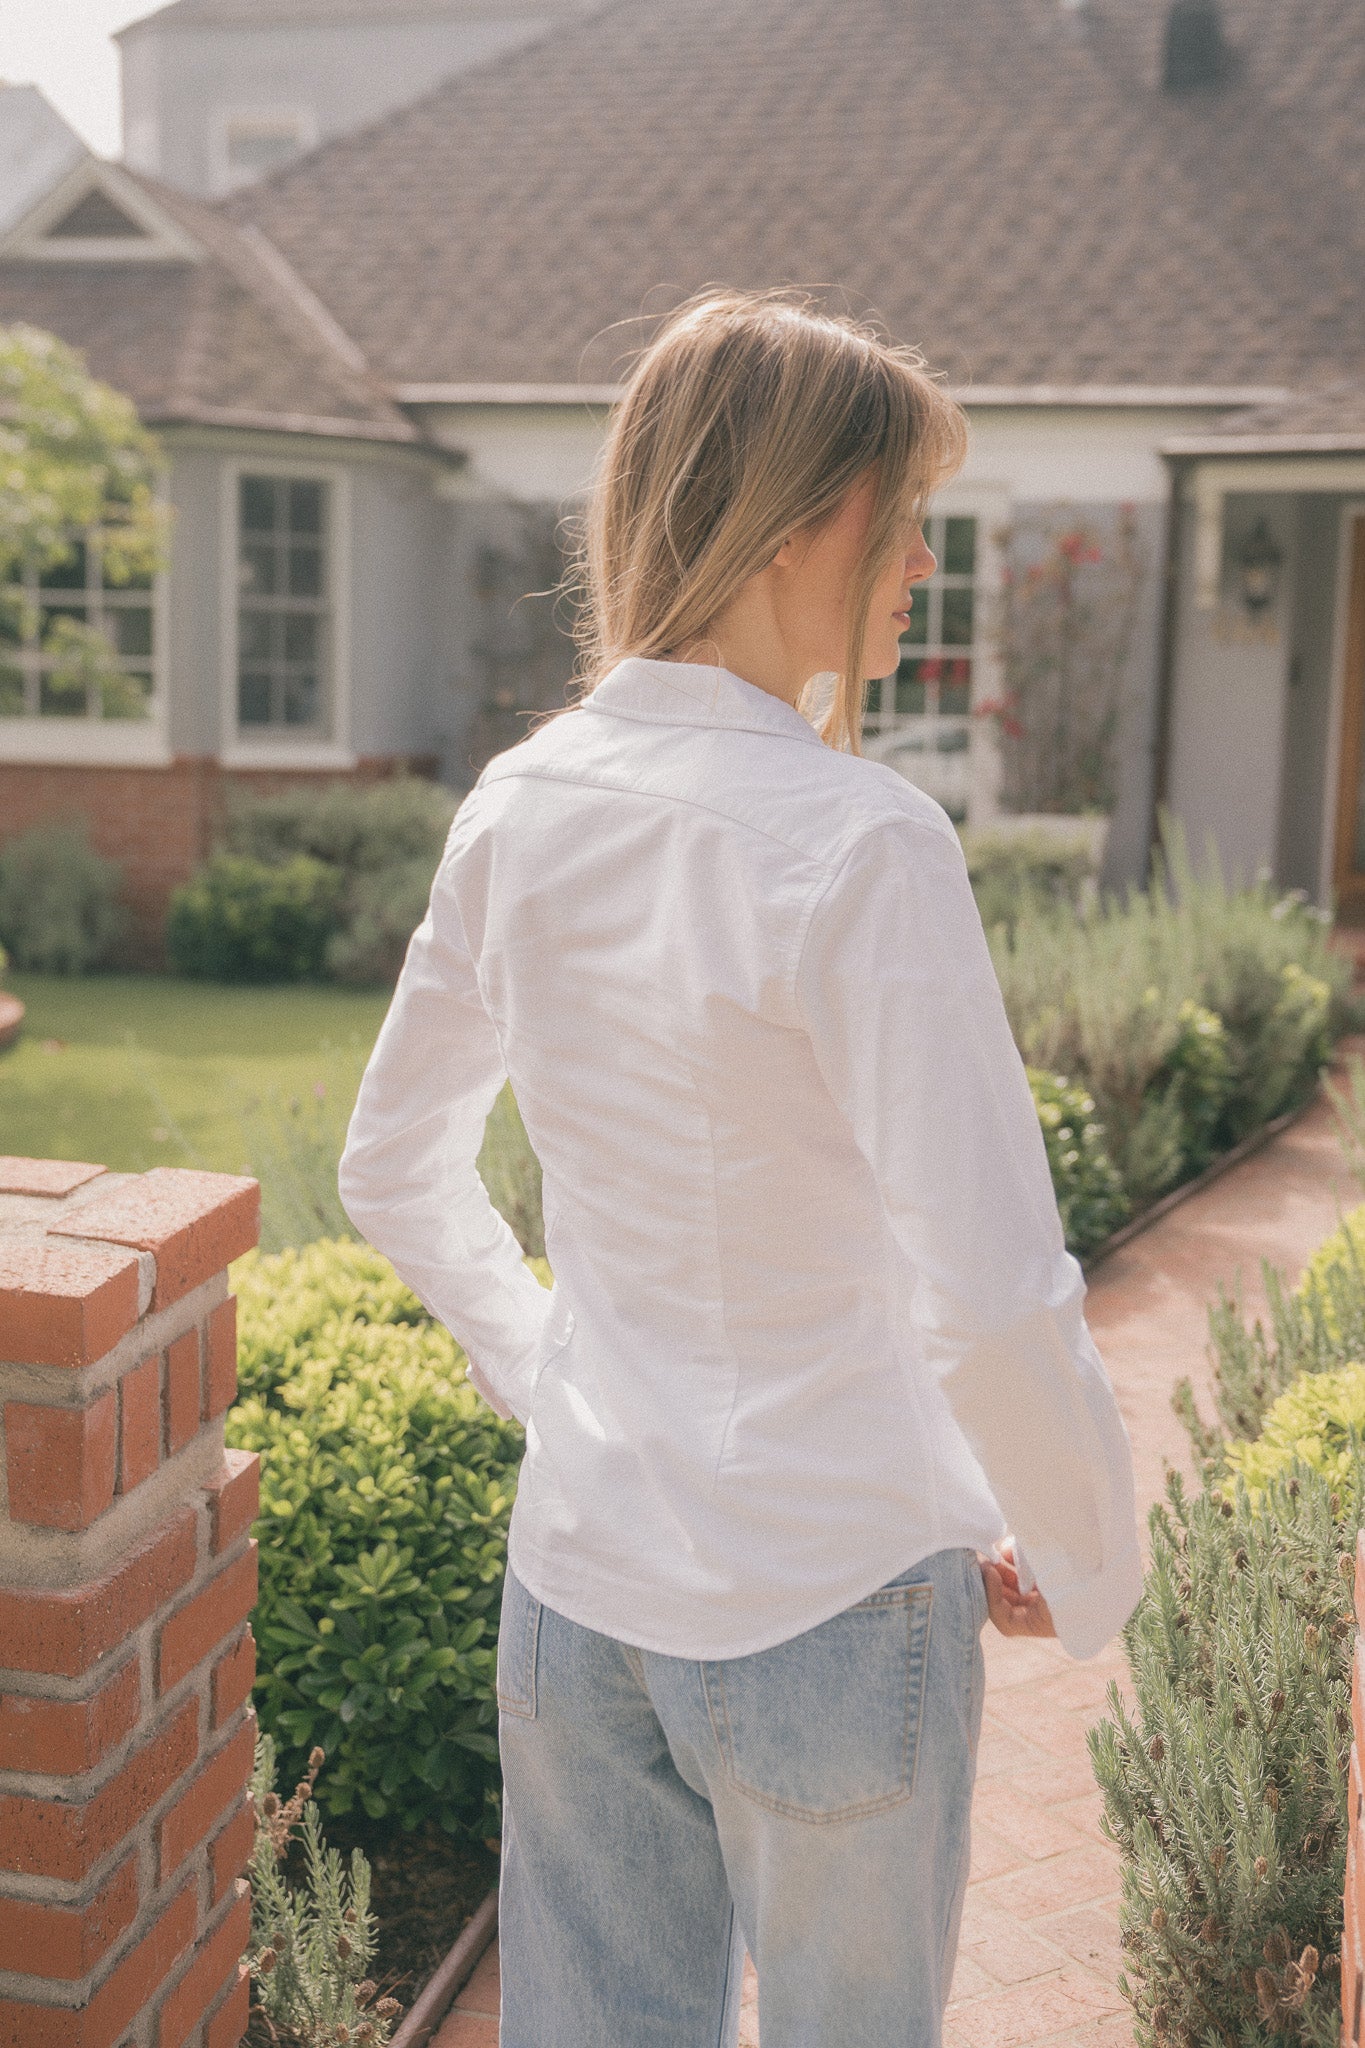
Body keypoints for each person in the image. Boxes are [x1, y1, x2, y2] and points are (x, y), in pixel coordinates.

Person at [338, 287, 1142, 2048]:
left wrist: (552, 1376)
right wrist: (1090, 1562)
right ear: (796, 525)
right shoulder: (859, 845)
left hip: (579, 1594)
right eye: (902, 515)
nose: (920, 562)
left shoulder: (518, 806)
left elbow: (389, 1167)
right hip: (833, 1602)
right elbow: (990, 1292)